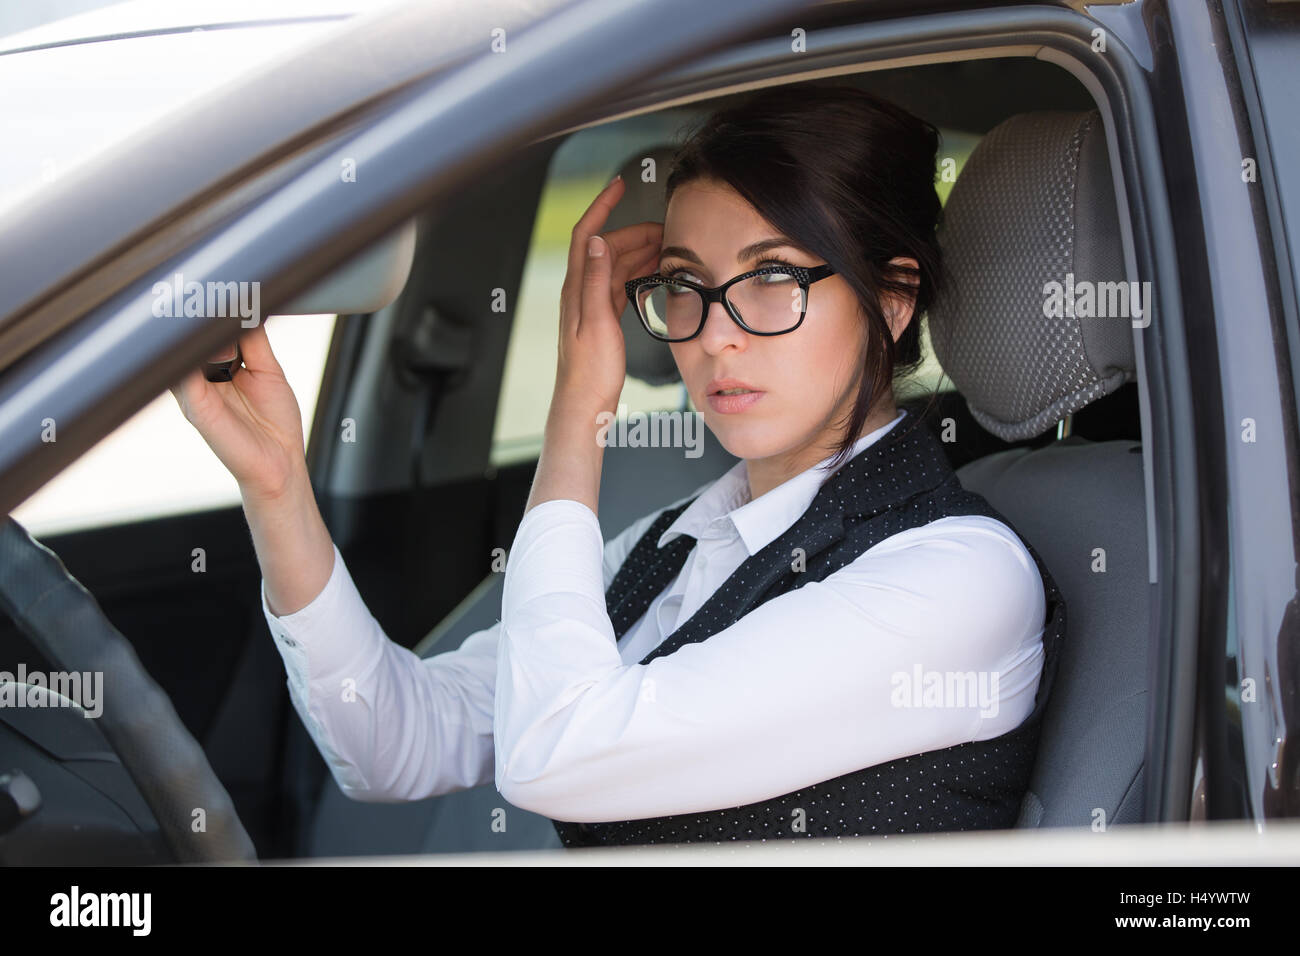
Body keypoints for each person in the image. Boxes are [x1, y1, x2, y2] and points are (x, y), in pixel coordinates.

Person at [172, 82, 1062, 849]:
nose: (714, 334)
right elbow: (391, 747)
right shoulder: (671, 543)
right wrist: (278, 484)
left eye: (773, 278)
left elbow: (553, 752)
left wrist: (578, 410)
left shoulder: (959, 580)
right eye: (686, 282)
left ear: (894, 298)